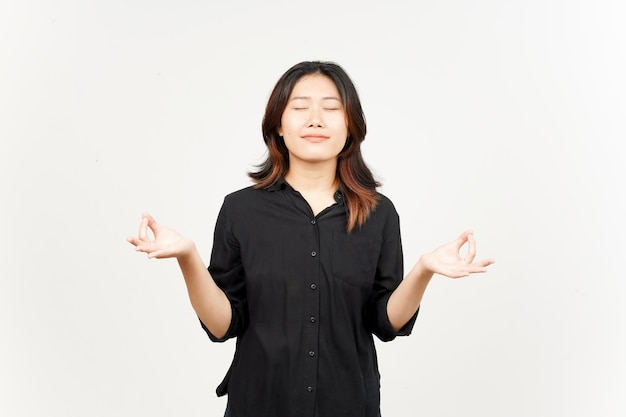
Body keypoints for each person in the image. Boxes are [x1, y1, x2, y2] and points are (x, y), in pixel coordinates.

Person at [127, 60, 495, 417]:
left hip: (350, 405)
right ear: (279, 127)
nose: (315, 119)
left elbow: (385, 324)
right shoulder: (240, 210)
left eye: (331, 108)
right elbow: (224, 325)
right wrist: (187, 257)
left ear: (351, 126)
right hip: (258, 404)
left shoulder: (379, 213)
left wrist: (423, 270)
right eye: (300, 107)